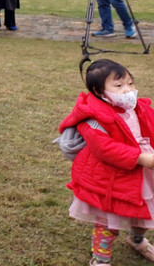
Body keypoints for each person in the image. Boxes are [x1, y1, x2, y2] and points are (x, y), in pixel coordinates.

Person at [59, 58, 154, 265]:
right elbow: (105, 149)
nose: (128, 90)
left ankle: (137, 239)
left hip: (144, 173)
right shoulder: (93, 117)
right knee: (109, 221)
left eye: (130, 83)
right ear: (99, 92)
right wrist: (140, 158)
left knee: (146, 210)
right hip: (111, 178)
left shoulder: (138, 108)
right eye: (118, 86)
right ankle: (100, 258)